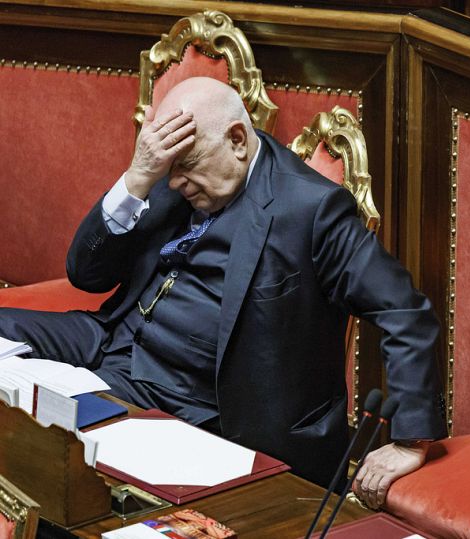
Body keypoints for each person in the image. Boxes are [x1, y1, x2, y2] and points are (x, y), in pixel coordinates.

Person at [0, 77, 445, 508]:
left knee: (58, 466)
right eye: (167, 171)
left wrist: (410, 441)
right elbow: (85, 273)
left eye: (186, 169)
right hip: (111, 343)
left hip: (201, 403)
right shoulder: (172, 169)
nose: (174, 185)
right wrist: (138, 177)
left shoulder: (311, 210)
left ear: (237, 139)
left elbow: (406, 311)